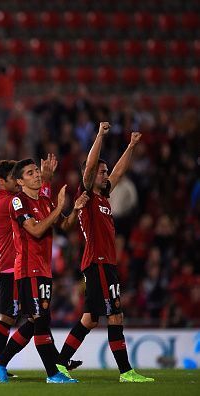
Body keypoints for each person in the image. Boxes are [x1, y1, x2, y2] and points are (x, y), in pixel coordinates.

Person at [56, 122, 155, 383]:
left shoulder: (103, 197)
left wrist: (131, 146)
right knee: (115, 315)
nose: (105, 175)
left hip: (103, 264)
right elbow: (89, 168)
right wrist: (99, 134)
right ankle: (126, 372)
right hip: (98, 263)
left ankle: (59, 363)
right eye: (102, 172)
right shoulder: (87, 194)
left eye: (105, 172)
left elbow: (120, 173)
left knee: (90, 319)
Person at [0, 158, 88, 384]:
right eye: (30, 173)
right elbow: (35, 230)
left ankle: (0, 361)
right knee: (41, 320)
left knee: (36, 322)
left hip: (44, 269)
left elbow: (64, 225)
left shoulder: (44, 200)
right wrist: (58, 207)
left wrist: (74, 208)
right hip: (28, 269)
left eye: (37, 171)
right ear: (19, 181)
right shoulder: (17, 201)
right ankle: (53, 374)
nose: (36, 175)